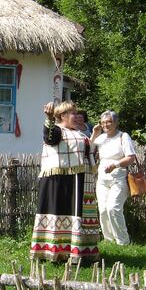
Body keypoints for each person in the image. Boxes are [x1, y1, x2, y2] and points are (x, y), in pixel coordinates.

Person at [30, 101, 99, 263]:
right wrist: (48, 118)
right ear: (62, 116)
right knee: (57, 213)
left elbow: (88, 152)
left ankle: (75, 251)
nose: (77, 117)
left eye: (76, 113)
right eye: (73, 114)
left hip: (78, 179)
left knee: (75, 215)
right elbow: (50, 138)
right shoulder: (58, 130)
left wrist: (94, 137)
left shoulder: (80, 133)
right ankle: (53, 251)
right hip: (58, 180)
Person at [91, 110, 137, 245]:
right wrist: (94, 133)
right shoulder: (101, 138)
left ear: (116, 122)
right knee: (103, 210)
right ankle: (109, 240)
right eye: (103, 122)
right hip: (102, 180)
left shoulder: (123, 136)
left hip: (119, 178)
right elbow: (88, 147)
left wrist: (115, 165)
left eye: (109, 122)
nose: (106, 125)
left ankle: (123, 241)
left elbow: (131, 157)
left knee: (114, 208)